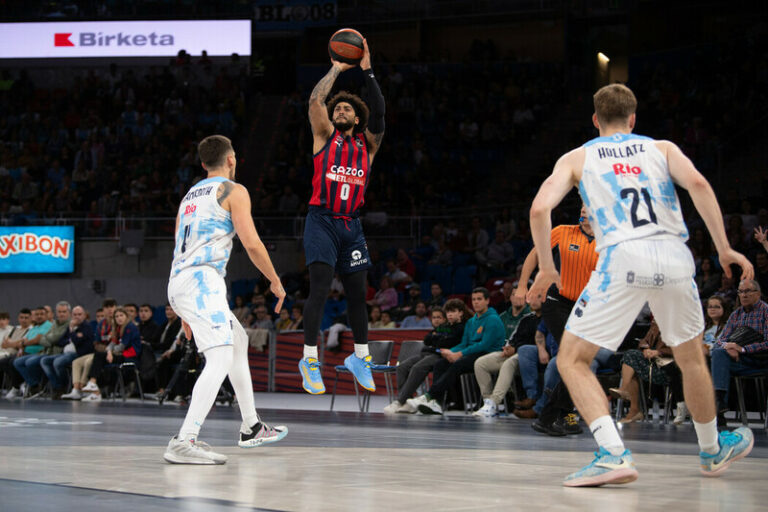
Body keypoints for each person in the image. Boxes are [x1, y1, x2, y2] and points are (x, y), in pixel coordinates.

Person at [527, 83, 754, 486]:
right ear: (633, 120)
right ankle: (712, 450)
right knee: (691, 358)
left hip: (622, 257)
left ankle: (613, 454)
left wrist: (546, 267)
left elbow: (540, 208)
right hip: (674, 256)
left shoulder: (578, 157)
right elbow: (699, 185)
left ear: (595, 120)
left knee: (572, 359)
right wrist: (724, 249)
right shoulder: (662, 148)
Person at [163, 134, 287, 465]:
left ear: (204, 164)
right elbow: (252, 243)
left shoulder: (189, 196)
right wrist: (275, 281)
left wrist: (183, 309)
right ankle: (184, 440)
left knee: (238, 339)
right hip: (201, 283)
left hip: (182, 281)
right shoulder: (234, 191)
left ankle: (251, 426)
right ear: (231, 160)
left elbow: (179, 248)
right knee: (219, 357)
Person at [299, 37, 385, 395]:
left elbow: (379, 112)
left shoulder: (368, 144)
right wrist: (337, 66)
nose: (342, 110)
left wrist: (367, 71)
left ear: (357, 116)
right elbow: (316, 100)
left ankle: (359, 357)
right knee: (319, 289)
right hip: (321, 219)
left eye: (348, 108)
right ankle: (309, 358)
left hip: (352, 225)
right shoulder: (324, 137)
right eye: (339, 108)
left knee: (357, 294)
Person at [409, 288, 505, 415]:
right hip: (471, 354)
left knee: (459, 363)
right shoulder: (471, 321)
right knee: (441, 363)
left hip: (489, 354)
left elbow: (484, 345)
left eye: (479, 299)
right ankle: (436, 403)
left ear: (487, 301)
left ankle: (429, 395)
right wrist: (450, 352)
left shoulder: (493, 319)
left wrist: (459, 354)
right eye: (474, 299)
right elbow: (464, 343)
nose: (476, 302)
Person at [383, 302, 468, 414]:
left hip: (440, 356)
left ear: (460, 313)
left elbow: (448, 342)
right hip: (428, 353)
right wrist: (438, 338)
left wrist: (437, 338)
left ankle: (400, 401)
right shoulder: (445, 327)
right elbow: (427, 339)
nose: (450, 314)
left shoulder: (460, 328)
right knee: (402, 367)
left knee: (417, 368)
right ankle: (407, 400)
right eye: (448, 312)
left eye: (453, 312)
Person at [710, 279, 768, 425]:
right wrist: (729, 347)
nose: (744, 295)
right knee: (717, 354)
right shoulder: (736, 314)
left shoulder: (766, 312)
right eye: (741, 292)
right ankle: (719, 405)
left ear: (758, 294)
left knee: (718, 359)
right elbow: (720, 341)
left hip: (760, 360)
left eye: (748, 291)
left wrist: (742, 349)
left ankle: (717, 406)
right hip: (739, 360)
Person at [472, 292, 540, 417]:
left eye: (536, 297)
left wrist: (516, 349)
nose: (532, 301)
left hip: (530, 357)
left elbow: (538, 343)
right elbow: (513, 338)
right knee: (481, 363)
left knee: (509, 363)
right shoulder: (526, 319)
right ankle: (488, 402)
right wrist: (509, 347)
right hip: (513, 352)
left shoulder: (548, 319)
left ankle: (494, 401)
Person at [51, 306, 95, 400]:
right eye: (75, 314)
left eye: (79, 314)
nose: (77, 317)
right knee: (45, 361)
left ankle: (64, 385)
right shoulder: (71, 327)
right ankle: (58, 386)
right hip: (66, 353)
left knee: (57, 363)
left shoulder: (86, 327)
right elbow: (60, 341)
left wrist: (72, 333)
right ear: (71, 315)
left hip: (79, 353)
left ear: (84, 315)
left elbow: (78, 342)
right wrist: (72, 337)